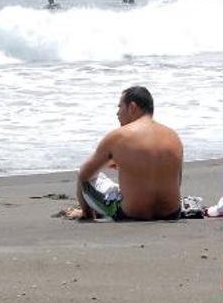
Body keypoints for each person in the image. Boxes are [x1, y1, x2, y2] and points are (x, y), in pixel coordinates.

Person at [72, 86, 183, 221]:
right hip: (171, 213)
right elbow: (177, 181)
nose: (117, 113)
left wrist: (108, 162)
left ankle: (87, 214)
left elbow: (85, 174)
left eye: (120, 107)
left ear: (132, 107)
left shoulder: (118, 137)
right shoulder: (173, 136)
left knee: (82, 177)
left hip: (131, 214)